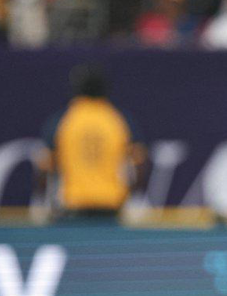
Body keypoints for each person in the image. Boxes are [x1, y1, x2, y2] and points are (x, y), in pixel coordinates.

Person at [36, 65, 147, 221]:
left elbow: (44, 168)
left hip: (73, 205)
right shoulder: (119, 120)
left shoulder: (62, 120)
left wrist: (43, 202)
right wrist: (131, 196)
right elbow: (140, 165)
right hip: (111, 205)